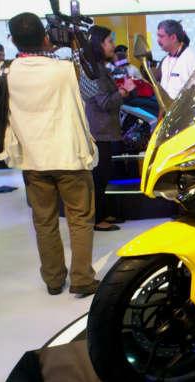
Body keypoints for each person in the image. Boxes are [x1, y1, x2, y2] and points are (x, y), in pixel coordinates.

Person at [0, 12, 99, 296]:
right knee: (80, 218)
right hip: (70, 156)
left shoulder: (6, 72)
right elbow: (91, 90)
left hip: (33, 159)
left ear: (13, 40)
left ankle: (54, 280)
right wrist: (76, 47)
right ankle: (82, 278)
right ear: (45, 36)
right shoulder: (65, 69)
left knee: (44, 221)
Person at [83, 25, 136, 231]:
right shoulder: (94, 71)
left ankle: (103, 213)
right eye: (109, 41)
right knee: (99, 176)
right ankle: (97, 219)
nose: (113, 45)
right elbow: (104, 102)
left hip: (104, 130)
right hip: (99, 131)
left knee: (104, 174)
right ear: (98, 44)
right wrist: (123, 91)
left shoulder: (99, 67)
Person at [156, 19, 195, 99]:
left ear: (173, 38)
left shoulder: (191, 59)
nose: (158, 40)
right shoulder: (165, 61)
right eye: (158, 36)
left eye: (161, 36)